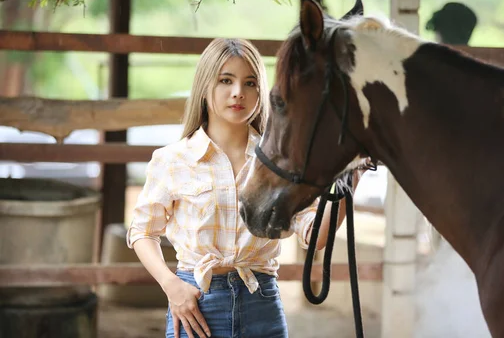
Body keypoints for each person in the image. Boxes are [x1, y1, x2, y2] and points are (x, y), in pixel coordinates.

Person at [126, 37, 362, 338]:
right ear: (205, 85)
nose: (238, 93)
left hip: (262, 305)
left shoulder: (282, 165)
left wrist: (351, 176)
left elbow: (315, 235)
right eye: (226, 80)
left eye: (250, 83)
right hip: (196, 305)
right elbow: (143, 231)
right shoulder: (172, 160)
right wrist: (171, 285)